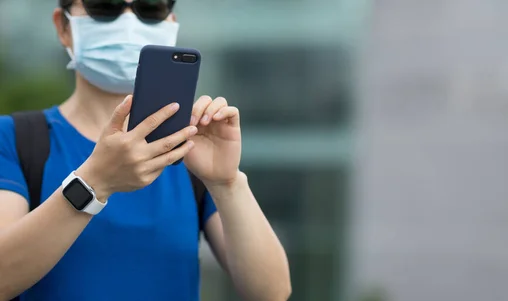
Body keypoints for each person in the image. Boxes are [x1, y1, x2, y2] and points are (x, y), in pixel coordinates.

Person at [0, 1, 291, 300]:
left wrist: (227, 183)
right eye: (104, 6)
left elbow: (272, 293)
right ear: (63, 27)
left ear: (171, 23)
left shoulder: (189, 150)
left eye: (149, 8)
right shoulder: (14, 138)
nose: (128, 22)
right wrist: (94, 183)